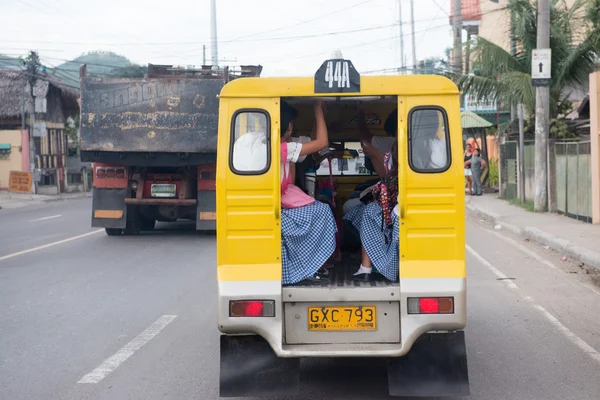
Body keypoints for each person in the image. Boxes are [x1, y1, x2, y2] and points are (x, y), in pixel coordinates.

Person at [279, 100, 338, 285]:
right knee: (323, 212)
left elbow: (312, 141)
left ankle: (314, 263)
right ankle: (309, 265)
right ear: (288, 126)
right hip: (281, 202)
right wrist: (318, 109)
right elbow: (321, 142)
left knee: (321, 208)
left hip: (284, 196)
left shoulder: (279, 146)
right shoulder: (282, 148)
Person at [344, 145, 399, 281]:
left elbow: (384, 184)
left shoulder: (390, 163)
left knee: (368, 212)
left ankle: (366, 267)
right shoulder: (435, 152)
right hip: (407, 212)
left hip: (395, 215)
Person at [342, 106, 398, 214]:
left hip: (392, 198)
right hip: (391, 194)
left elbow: (365, 140)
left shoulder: (392, 143)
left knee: (348, 206)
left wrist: (360, 113)